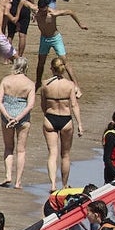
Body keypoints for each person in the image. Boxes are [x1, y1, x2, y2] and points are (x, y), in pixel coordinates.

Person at [40, 57, 82, 188]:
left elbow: (43, 104)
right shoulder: (69, 85)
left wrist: (47, 114)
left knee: (52, 153)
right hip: (65, 119)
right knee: (65, 155)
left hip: (50, 118)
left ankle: (53, 184)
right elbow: (74, 105)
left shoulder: (45, 84)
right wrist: (80, 124)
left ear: (52, 68)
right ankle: (64, 185)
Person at [0, 57, 36, 189]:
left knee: (8, 147)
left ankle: (8, 175)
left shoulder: (6, 80)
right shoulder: (30, 84)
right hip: (23, 118)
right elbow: (30, 106)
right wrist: (18, 118)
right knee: (21, 150)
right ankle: (18, 182)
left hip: (6, 116)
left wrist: (7, 116)